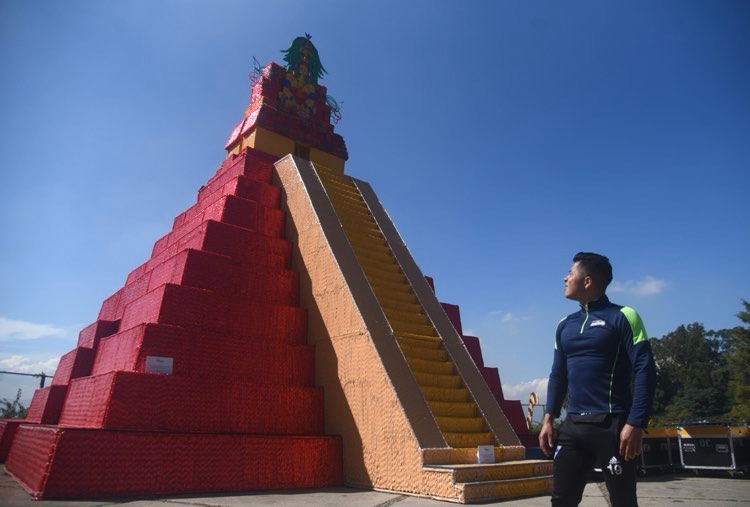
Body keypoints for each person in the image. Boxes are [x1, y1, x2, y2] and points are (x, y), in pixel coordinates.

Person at [539, 252, 656, 507]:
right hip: (573, 427)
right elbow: (558, 374)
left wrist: (636, 422)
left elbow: (645, 369)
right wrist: (548, 418)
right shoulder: (564, 325)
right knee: (561, 500)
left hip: (613, 426)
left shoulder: (624, 316)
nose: (565, 277)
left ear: (587, 281)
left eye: (570, 273)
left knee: (623, 501)